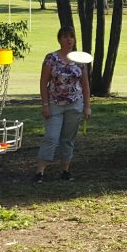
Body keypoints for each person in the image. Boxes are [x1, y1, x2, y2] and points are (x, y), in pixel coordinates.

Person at [35, 27, 91, 182]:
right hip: (55, 104)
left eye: (71, 37)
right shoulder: (51, 58)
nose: (69, 40)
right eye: (65, 37)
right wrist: (45, 104)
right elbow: (43, 82)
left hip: (74, 104)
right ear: (59, 39)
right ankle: (40, 172)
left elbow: (85, 85)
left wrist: (87, 106)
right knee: (51, 137)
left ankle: (65, 170)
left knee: (68, 139)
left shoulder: (80, 60)